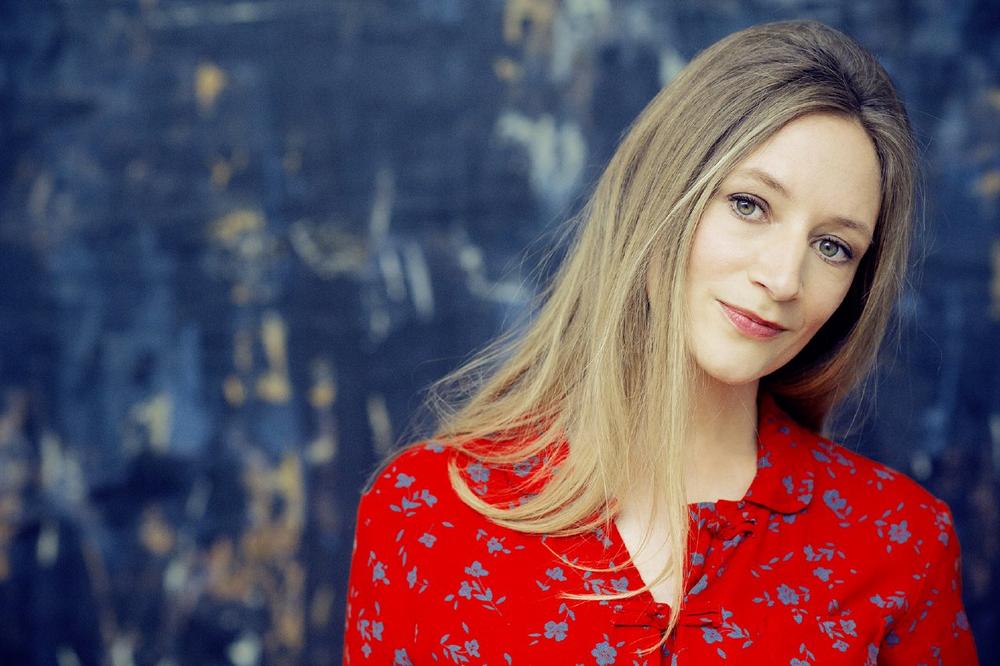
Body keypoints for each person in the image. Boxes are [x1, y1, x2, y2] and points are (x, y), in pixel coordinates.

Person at [342, 19, 980, 664]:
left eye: (833, 246)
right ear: (662, 193)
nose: (785, 278)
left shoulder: (900, 544)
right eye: (750, 205)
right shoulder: (423, 511)